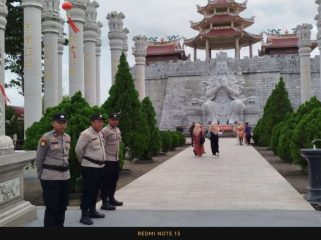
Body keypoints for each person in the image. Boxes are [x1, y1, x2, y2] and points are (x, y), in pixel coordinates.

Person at [35, 113, 71, 227]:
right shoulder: (46, 138)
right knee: (51, 207)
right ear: (53, 123)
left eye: (64, 122)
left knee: (63, 205)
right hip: (50, 177)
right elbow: (39, 158)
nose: (61, 125)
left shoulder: (67, 137)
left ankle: (60, 226)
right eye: (59, 122)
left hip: (65, 176)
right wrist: (40, 175)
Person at [75, 114, 106, 225]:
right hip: (90, 167)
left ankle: (92, 211)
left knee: (95, 190)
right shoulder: (86, 134)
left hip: (100, 167)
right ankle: (84, 215)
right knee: (88, 191)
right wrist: (83, 162)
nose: (101, 123)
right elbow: (78, 150)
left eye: (102, 121)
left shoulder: (100, 134)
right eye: (98, 121)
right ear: (92, 122)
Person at [100, 113, 123, 211]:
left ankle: (111, 198)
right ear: (109, 120)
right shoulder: (105, 130)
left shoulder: (117, 129)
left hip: (115, 159)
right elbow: (101, 145)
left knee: (114, 180)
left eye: (116, 120)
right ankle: (104, 202)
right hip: (107, 160)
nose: (115, 121)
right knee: (106, 182)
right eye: (113, 119)